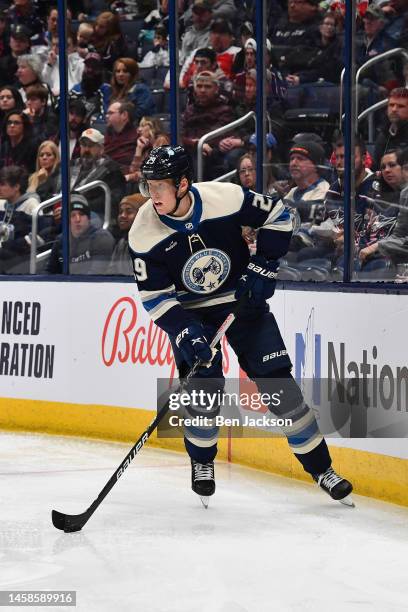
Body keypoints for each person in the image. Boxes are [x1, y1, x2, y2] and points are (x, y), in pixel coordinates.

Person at [128, 144, 353, 505]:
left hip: (242, 303)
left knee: (280, 387)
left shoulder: (226, 197)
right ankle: (202, 462)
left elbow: (279, 215)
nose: (151, 195)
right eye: (148, 186)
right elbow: (156, 298)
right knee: (204, 392)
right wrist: (186, 331)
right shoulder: (143, 231)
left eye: (159, 187)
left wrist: (263, 265)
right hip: (194, 313)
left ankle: (321, 469)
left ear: (182, 183)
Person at [47, 193, 115, 274]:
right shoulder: (61, 240)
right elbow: (49, 272)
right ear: (67, 220)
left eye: (82, 214)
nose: (77, 219)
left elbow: (97, 275)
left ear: (88, 218)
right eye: (73, 215)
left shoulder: (102, 238)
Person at [70, 127, 126, 223]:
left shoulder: (112, 170)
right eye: (84, 145)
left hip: (92, 215)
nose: (86, 149)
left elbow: (112, 201)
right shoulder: (69, 165)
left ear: (101, 148)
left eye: (91, 145)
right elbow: (48, 189)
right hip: (63, 211)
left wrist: (78, 206)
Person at [0, 165, 40, 273]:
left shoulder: (32, 205)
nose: (0, 188)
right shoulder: (1, 204)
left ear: (17, 186)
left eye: (3, 184)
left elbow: (37, 237)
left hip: (20, 260)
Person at [108, 194, 147, 274]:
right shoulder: (122, 243)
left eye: (129, 212)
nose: (122, 216)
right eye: (120, 212)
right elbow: (111, 271)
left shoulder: (150, 242)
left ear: (142, 214)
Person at [374, 88, 408, 167]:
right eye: (391, 105)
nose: (394, 109)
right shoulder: (383, 135)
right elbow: (377, 167)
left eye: (400, 106)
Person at [104, 100, 139, 174]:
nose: (106, 116)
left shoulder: (136, 138)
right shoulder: (108, 134)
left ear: (124, 115)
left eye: (110, 113)